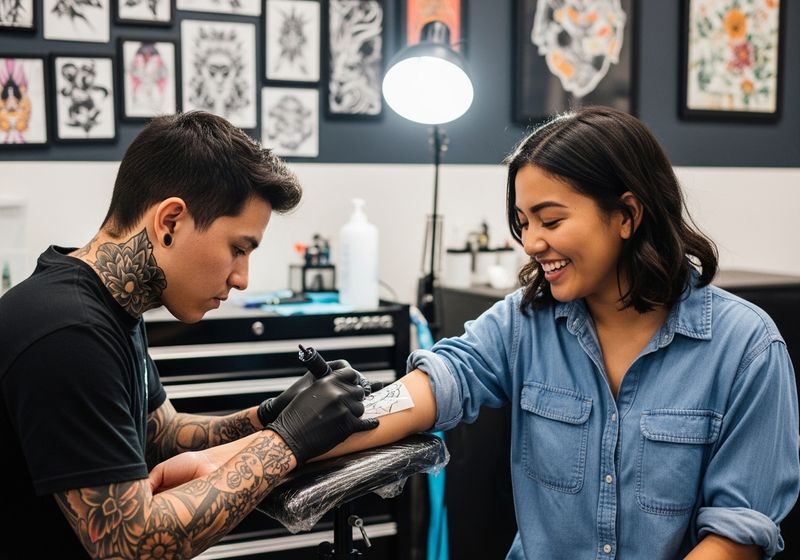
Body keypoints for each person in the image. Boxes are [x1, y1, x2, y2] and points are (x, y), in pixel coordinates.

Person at [156, 106, 800, 558]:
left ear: (626, 214)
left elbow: (738, 533)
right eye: (523, 222)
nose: (533, 242)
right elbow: (425, 388)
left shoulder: (746, 350)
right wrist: (222, 460)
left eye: (550, 219)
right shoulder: (525, 324)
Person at [0, 110, 378, 559]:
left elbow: (162, 434)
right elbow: (132, 546)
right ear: (170, 222)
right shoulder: (68, 331)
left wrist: (272, 414)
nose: (241, 279)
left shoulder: (112, 305)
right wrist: (288, 441)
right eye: (238, 249)